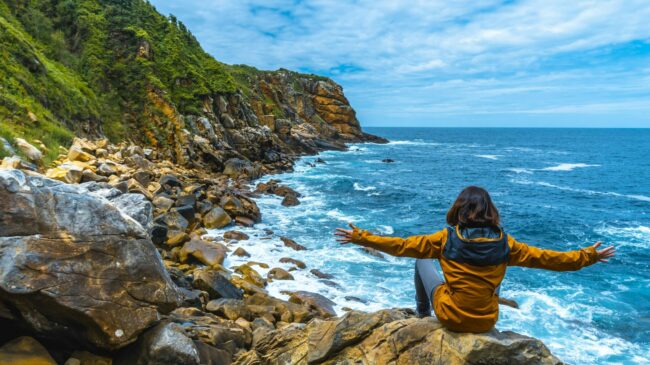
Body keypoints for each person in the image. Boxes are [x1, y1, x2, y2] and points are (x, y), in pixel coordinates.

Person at [334, 186, 615, 333]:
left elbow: (401, 245)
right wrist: (588, 255)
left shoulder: (444, 239)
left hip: (451, 317)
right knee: (493, 274)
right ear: (490, 211)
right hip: (486, 321)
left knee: (421, 261)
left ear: (458, 209)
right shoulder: (506, 244)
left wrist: (361, 236)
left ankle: (422, 315)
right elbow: (550, 259)